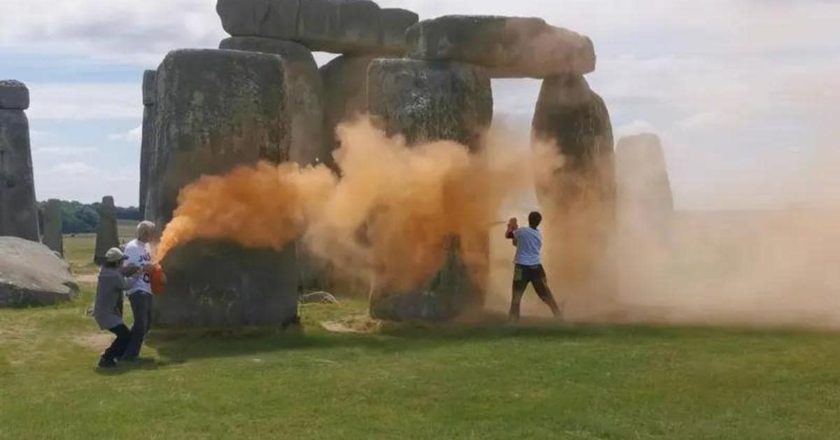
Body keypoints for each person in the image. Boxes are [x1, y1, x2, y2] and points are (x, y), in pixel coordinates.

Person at [505, 211, 562, 322]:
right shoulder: (538, 235)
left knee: (516, 294)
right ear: (539, 222)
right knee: (545, 293)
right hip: (536, 268)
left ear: (529, 219)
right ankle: (558, 314)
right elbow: (517, 243)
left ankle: (513, 320)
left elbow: (508, 235)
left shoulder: (522, 231)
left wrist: (510, 225)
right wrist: (515, 228)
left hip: (521, 268)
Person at [93, 247, 144, 368]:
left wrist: (129, 270)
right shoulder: (114, 276)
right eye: (121, 261)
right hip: (106, 313)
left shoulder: (106, 271)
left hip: (104, 312)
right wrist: (137, 274)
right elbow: (126, 285)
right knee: (125, 336)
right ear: (116, 262)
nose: (122, 263)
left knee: (124, 335)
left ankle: (112, 356)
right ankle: (107, 358)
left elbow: (120, 272)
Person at [122, 221, 157, 361]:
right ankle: (130, 355)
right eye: (151, 233)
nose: (153, 236)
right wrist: (143, 269)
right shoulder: (132, 248)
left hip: (147, 289)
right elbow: (127, 270)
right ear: (144, 233)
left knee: (146, 323)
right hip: (137, 289)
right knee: (141, 323)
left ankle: (125, 348)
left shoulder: (147, 247)